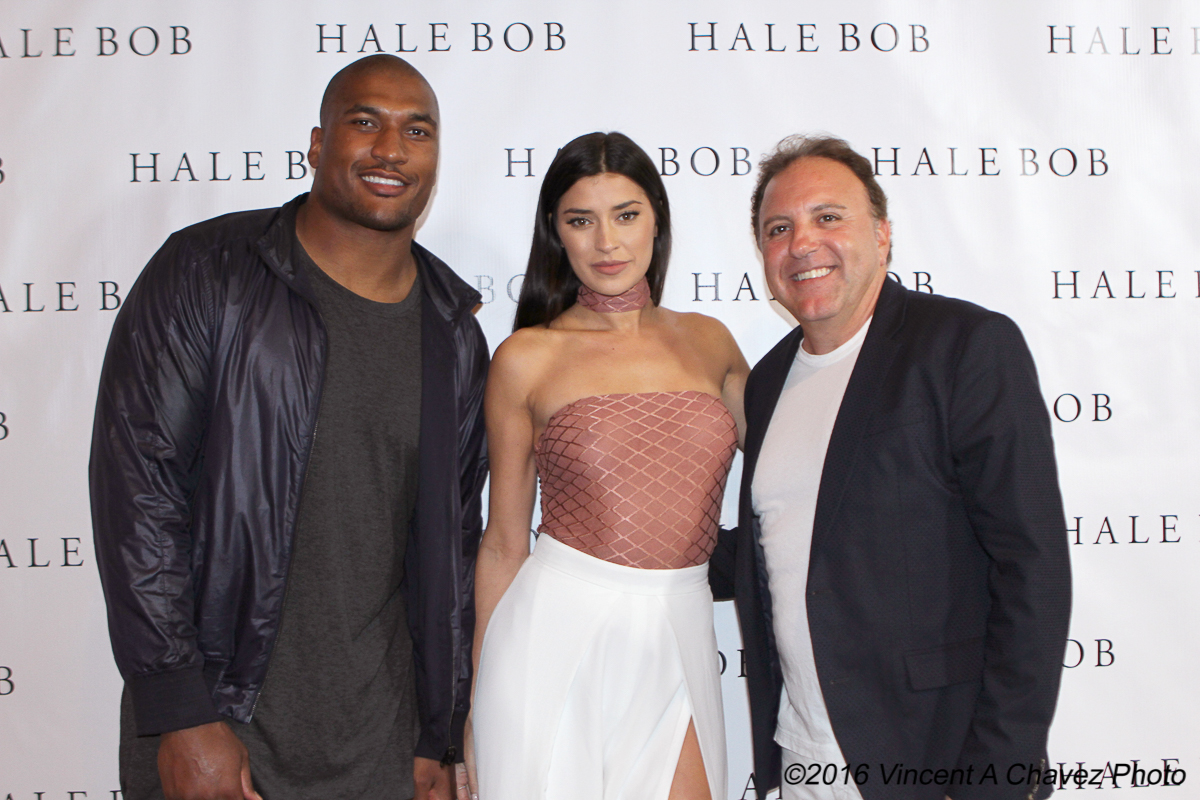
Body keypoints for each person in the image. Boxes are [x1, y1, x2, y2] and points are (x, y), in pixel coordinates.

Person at [89, 54, 488, 800]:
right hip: (223, 732)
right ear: (316, 144)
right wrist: (178, 712)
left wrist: (438, 730)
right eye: (364, 122)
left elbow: (450, 547)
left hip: (380, 749)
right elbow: (138, 490)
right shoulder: (209, 271)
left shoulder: (454, 335)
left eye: (417, 131)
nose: (390, 150)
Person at [709, 135, 1071, 800]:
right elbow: (782, 551)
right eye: (778, 228)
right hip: (802, 759)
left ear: (883, 236)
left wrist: (998, 776)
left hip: (934, 762)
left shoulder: (964, 347)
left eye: (829, 217)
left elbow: (1032, 571)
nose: (803, 243)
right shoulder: (766, 383)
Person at [468, 131, 749, 800]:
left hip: (681, 621)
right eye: (581, 220)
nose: (606, 243)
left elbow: (792, 469)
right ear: (555, 233)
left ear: (657, 215)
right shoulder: (526, 357)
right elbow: (504, 542)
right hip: (553, 631)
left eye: (626, 215)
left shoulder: (710, 342)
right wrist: (475, 712)